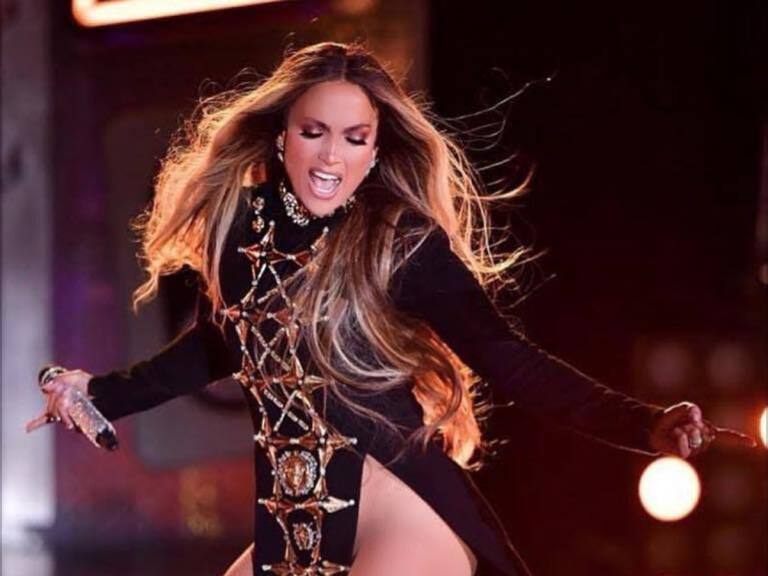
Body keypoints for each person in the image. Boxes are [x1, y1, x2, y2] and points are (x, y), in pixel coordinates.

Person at [27, 42, 753, 576]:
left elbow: (509, 359)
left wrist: (641, 424)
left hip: (398, 512)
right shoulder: (240, 231)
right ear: (282, 136)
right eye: (314, 132)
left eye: (354, 139)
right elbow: (219, 346)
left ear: (374, 152)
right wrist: (101, 393)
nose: (330, 158)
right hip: (291, 524)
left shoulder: (399, 242)